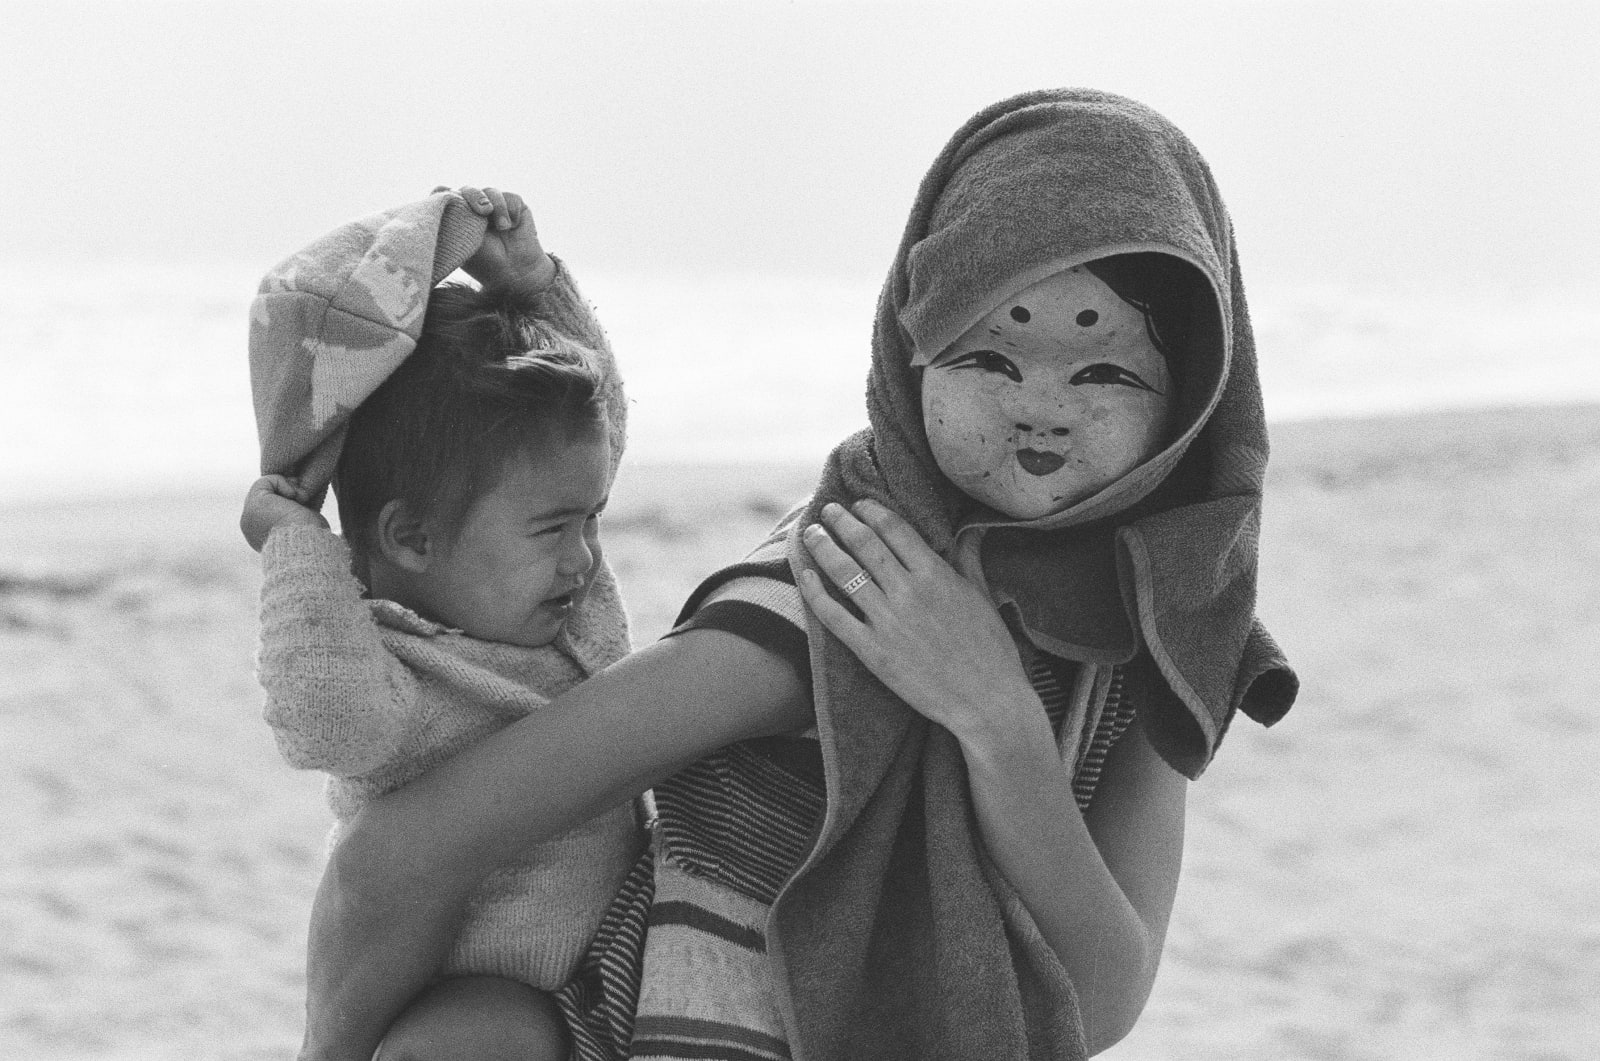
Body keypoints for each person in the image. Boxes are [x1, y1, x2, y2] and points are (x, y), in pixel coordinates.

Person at [297, 89, 1299, 1061]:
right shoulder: (841, 596)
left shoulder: (1162, 623)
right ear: (911, 351)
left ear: (1193, 398)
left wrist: (996, 720)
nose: (1040, 407)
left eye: (1105, 371)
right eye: (990, 358)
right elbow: (396, 854)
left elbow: (1104, 996)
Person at [242, 187, 641, 1060]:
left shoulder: (562, 601)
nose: (584, 558)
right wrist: (296, 546)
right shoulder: (399, 675)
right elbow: (317, 716)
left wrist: (537, 292)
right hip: (486, 990)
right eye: (553, 529)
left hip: (623, 961)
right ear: (411, 538)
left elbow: (593, 432)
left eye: (593, 519)